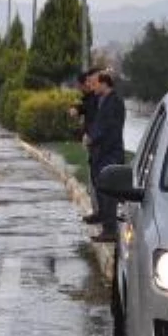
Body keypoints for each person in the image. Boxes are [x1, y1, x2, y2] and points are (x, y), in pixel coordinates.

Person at [87, 72, 126, 243]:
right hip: (101, 152)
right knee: (101, 189)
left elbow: (110, 128)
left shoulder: (114, 102)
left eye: (95, 84)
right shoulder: (102, 101)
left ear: (104, 84)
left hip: (109, 153)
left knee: (108, 193)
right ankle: (104, 223)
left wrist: (93, 139)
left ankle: (110, 229)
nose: (92, 87)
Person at [71, 66, 104, 223]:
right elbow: (85, 109)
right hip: (93, 144)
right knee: (94, 180)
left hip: (102, 147)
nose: (91, 85)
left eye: (93, 82)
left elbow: (100, 123)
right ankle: (98, 212)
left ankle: (102, 215)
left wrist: (90, 136)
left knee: (99, 181)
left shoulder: (101, 100)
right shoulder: (91, 98)